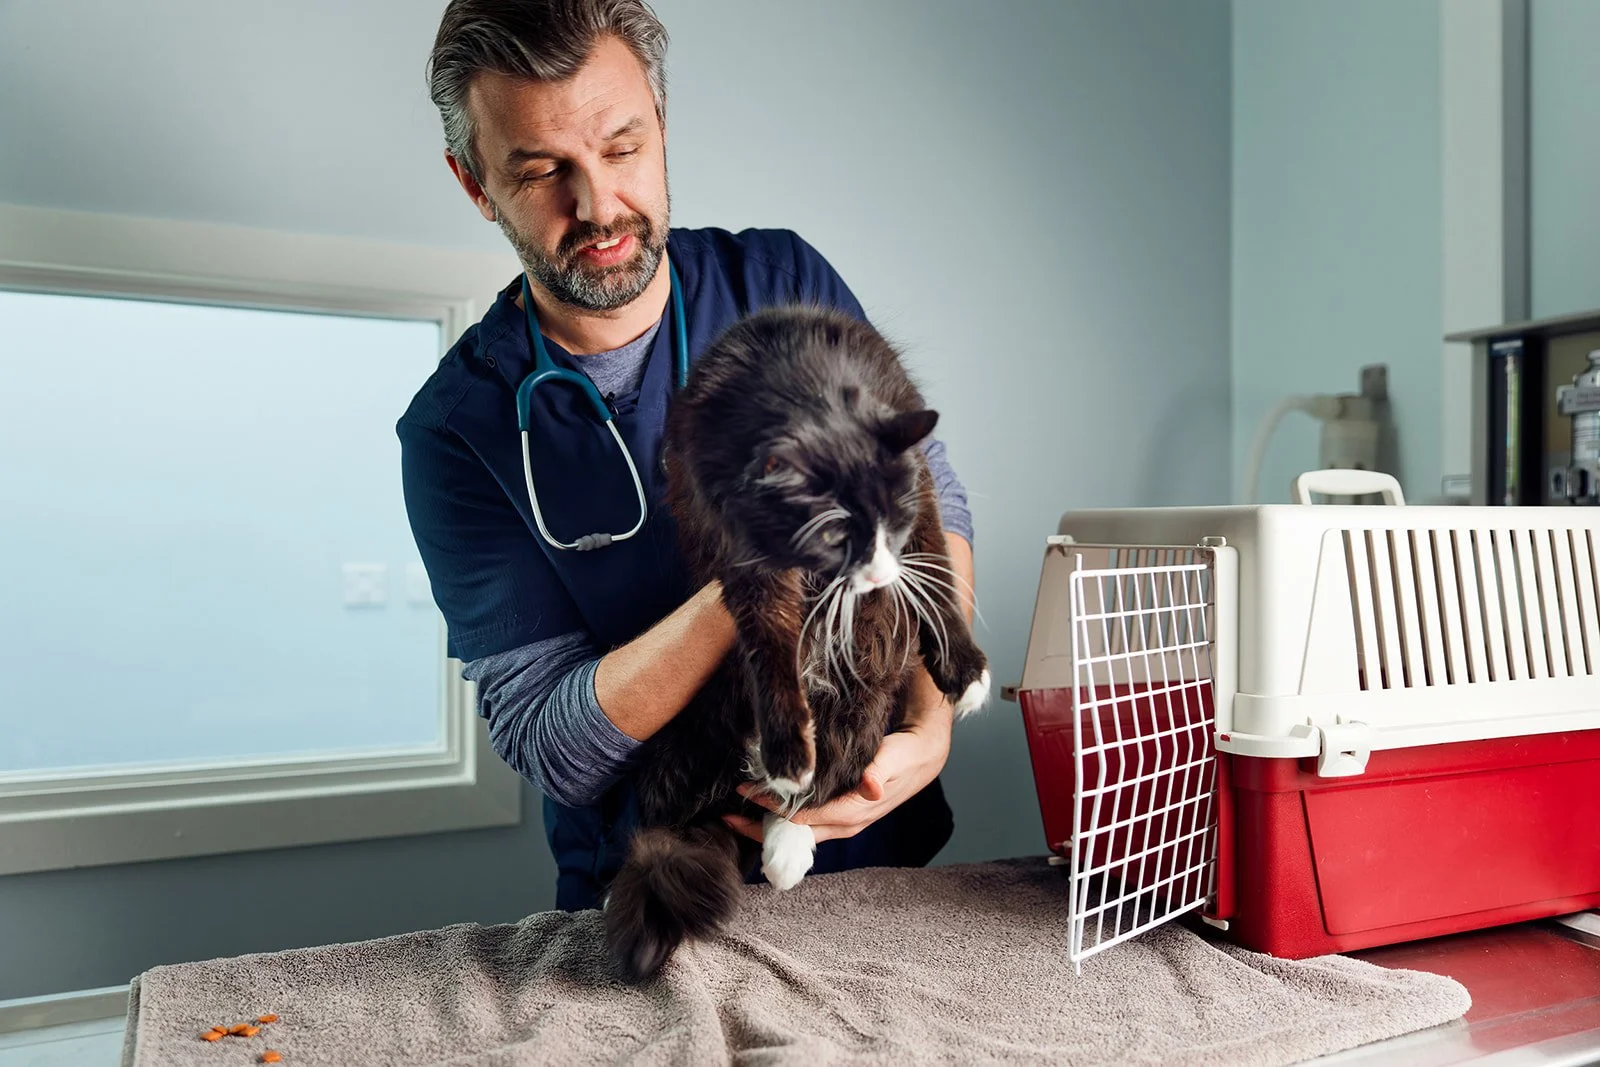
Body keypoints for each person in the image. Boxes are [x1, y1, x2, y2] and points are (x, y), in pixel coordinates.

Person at [400, 0, 977, 911]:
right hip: (660, 885)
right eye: (545, 169)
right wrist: (758, 576)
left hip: (878, 861)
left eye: (622, 148)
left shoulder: (780, 284)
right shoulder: (456, 432)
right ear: (476, 184)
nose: (597, 206)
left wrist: (932, 722)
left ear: (661, 128)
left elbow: (924, 491)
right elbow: (555, 739)